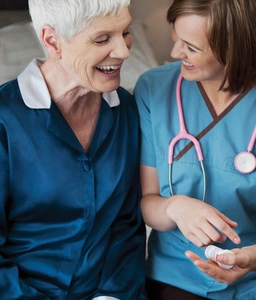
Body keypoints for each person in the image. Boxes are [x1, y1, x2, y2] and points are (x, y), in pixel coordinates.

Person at [0, 0, 147, 299]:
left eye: (125, 32)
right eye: (102, 39)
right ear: (52, 41)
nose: (124, 50)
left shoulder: (127, 112)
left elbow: (126, 226)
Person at [134, 0, 256, 299]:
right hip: (177, 274)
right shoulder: (154, 88)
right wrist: (175, 206)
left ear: (234, 49)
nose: (176, 54)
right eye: (176, 40)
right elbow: (148, 201)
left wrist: (251, 259)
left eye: (191, 47)